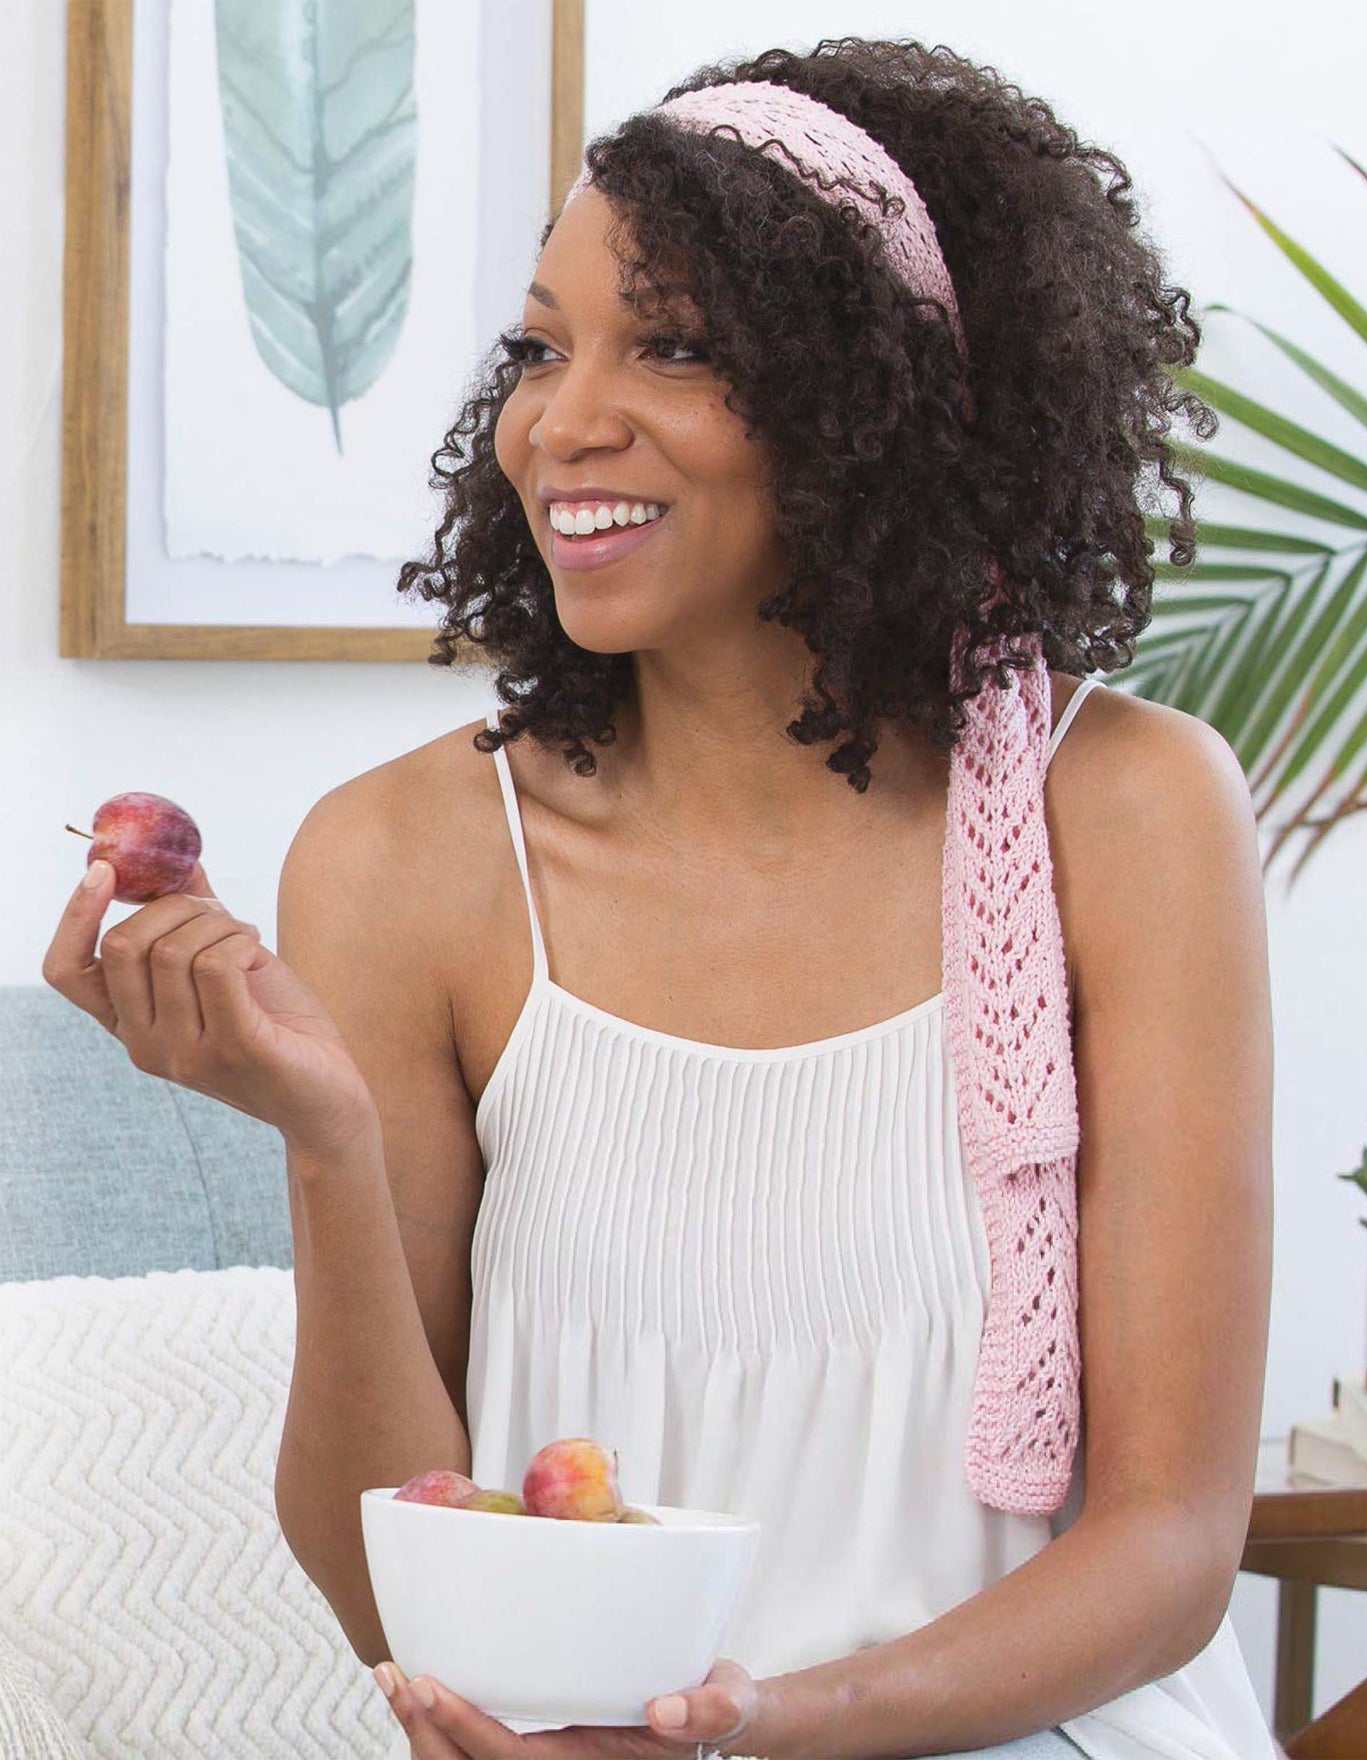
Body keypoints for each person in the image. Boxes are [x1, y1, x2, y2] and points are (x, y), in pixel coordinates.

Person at [43, 36, 1278, 1760]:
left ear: (874, 399)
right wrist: (325, 1143)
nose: (562, 422)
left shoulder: (1126, 814)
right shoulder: (407, 861)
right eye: (541, 348)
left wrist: (750, 1728)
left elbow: (1169, 1547)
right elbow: (398, 1588)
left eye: (676, 346)